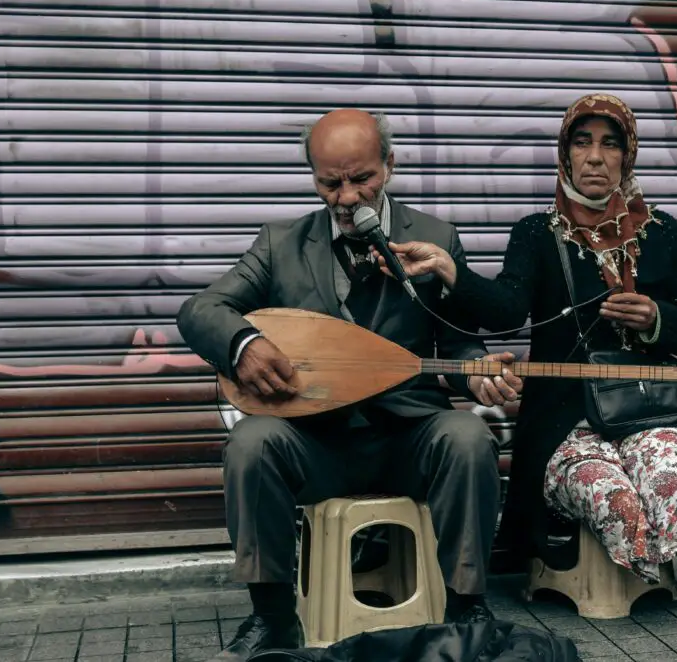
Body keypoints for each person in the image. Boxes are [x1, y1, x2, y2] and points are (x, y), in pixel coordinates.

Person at [370, 94, 677, 622]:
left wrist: (655, 317)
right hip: (565, 421)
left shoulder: (664, 234)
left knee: (673, 481)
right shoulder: (536, 234)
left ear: (628, 156)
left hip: (644, 411)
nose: (595, 157)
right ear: (565, 156)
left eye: (610, 144)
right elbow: (506, 310)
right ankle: (581, 529)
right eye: (582, 143)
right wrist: (449, 269)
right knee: (618, 501)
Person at [177, 108, 523, 661]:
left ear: (389, 165)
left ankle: (467, 607)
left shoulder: (435, 238)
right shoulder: (280, 244)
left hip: (411, 436)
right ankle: (271, 618)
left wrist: (477, 369)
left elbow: (457, 340)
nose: (345, 197)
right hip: (318, 442)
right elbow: (201, 309)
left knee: (467, 437)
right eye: (329, 182)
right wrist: (243, 345)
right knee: (250, 443)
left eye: (361, 179)